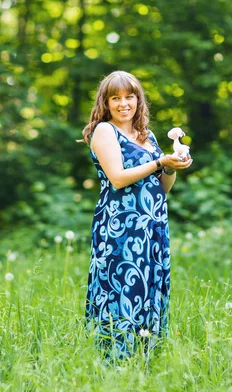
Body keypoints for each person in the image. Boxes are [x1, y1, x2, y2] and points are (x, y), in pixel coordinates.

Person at [80, 70, 193, 360]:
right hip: (121, 225)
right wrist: (158, 161)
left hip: (151, 226)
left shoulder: (147, 135)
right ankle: (114, 360)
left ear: (138, 99)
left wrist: (171, 165)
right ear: (105, 103)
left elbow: (163, 187)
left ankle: (144, 358)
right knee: (122, 289)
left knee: (148, 286)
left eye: (129, 97)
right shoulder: (105, 130)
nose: (123, 104)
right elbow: (117, 178)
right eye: (115, 98)